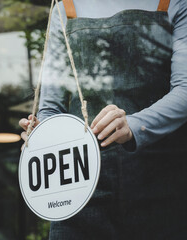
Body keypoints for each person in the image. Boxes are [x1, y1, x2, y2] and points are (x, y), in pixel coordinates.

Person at [19, 0, 187, 238]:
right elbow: (50, 107)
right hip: (79, 188)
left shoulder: (173, 3)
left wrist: (134, 125)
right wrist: (43, 132)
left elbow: (185, 89)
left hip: (161, 185)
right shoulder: (65, 8)